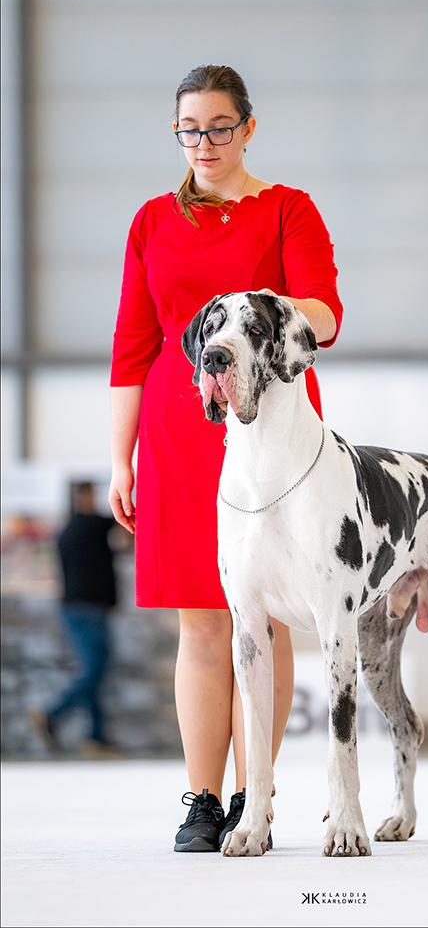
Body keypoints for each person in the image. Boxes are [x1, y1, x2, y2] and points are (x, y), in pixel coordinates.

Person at [108, 64, 342, 852]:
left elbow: (324, 314)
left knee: (265, 614)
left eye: (217, 127)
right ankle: (202, 800)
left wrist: (258, 310)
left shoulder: (287, 209)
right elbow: (133, 347)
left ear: (247, 127)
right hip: (177, 431)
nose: (202, 143)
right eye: (188, 129)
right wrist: (120, 459)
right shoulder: (151, 221)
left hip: (272, 431)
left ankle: (255, 794)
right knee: (202, 619)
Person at [41, 481, 121, 758]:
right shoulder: (88, 525)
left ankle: (96, 736)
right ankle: (53, 713)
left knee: (93, 670)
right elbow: (121, 521)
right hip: (87, 609)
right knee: (94, 669)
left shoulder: (69, 530)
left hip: (79, 608)